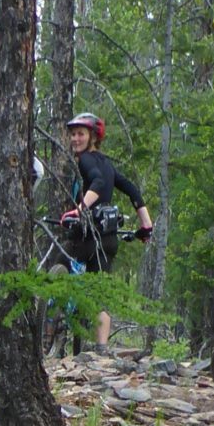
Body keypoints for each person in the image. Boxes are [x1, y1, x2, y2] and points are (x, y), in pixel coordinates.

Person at [63, 111, 153, 349]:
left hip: (87, 236)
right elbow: (132, 190)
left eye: (81, 134)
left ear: (93, 137)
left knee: (59, 267)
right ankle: (101, 350)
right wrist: (146, 226)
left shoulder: (85, 160)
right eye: (73, 134)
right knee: (99, 294)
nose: (75, 139)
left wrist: (80, 209)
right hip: (108, 238)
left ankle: (50, 327)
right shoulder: (107, 164)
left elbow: (98, 183)